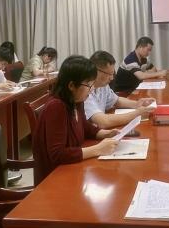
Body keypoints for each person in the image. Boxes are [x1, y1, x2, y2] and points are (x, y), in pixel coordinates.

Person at [32, 55, 118, 185]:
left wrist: (104, 133)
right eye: (88, 85)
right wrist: (98, 149)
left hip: (72, 169)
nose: (91, 89)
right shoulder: (56, 106)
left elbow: (84, 126)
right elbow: (57, 154)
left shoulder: (77, 100)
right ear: (71, 85)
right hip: (55, 178)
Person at [85, 50, 155, 128]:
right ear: (96, 71)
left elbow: (116, 101)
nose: (111, 78)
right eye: (109, 74)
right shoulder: (84, 91)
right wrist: (136, 114)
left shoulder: (102, 85)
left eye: (112, 74)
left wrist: (137, 104)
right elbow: (103, 122)